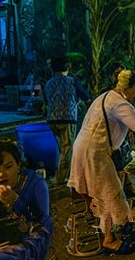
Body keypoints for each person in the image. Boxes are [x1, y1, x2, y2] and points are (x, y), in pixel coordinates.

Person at [67, 70, 135, 254]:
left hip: (84, 148)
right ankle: (108, 240)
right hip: (95, 153)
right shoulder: (119, 103)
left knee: (104, 193)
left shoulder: (106, 96)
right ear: (128, 87)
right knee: (108, 194)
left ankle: (114, 230)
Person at [0, 138, 53, 260]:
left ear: (18, 164)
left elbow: (41, 221)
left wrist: (15, 202)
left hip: (32, 238)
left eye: (8, 167)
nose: (2, 175)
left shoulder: (36, 184)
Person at [43, 55, 92, 185]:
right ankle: (60, 179)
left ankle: (64, 174)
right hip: (68, 119)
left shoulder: (48, 83)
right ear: (68, 67)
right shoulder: (72, 81)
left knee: (62, 149)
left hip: (52, 119)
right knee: (67, 149)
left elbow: (47, 101)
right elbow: (86, 97)